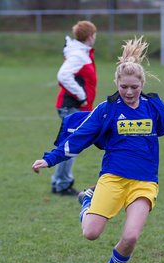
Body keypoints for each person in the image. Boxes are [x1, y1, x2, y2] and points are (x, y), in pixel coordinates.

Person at [32, 36, 164, 263]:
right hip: (113, 178)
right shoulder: (108, 109)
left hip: (144, 181)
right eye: (124, 87)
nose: (129, 92)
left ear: (142, 84)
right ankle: (87, 200)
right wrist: (49, 159)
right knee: (91, 233)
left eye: (134, 87)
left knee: (131, 237)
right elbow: (79, 138)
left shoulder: (154, 106)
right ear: (117, 83)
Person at [52, 20, 97, 195]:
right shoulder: (78, 55)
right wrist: (81, 95)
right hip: (71, 107)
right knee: (71, 145)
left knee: (70, 144)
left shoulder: (82, 53)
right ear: (90, 36)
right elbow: (63, 75)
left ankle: (59, 182)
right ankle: (62, 184)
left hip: (75, 107)